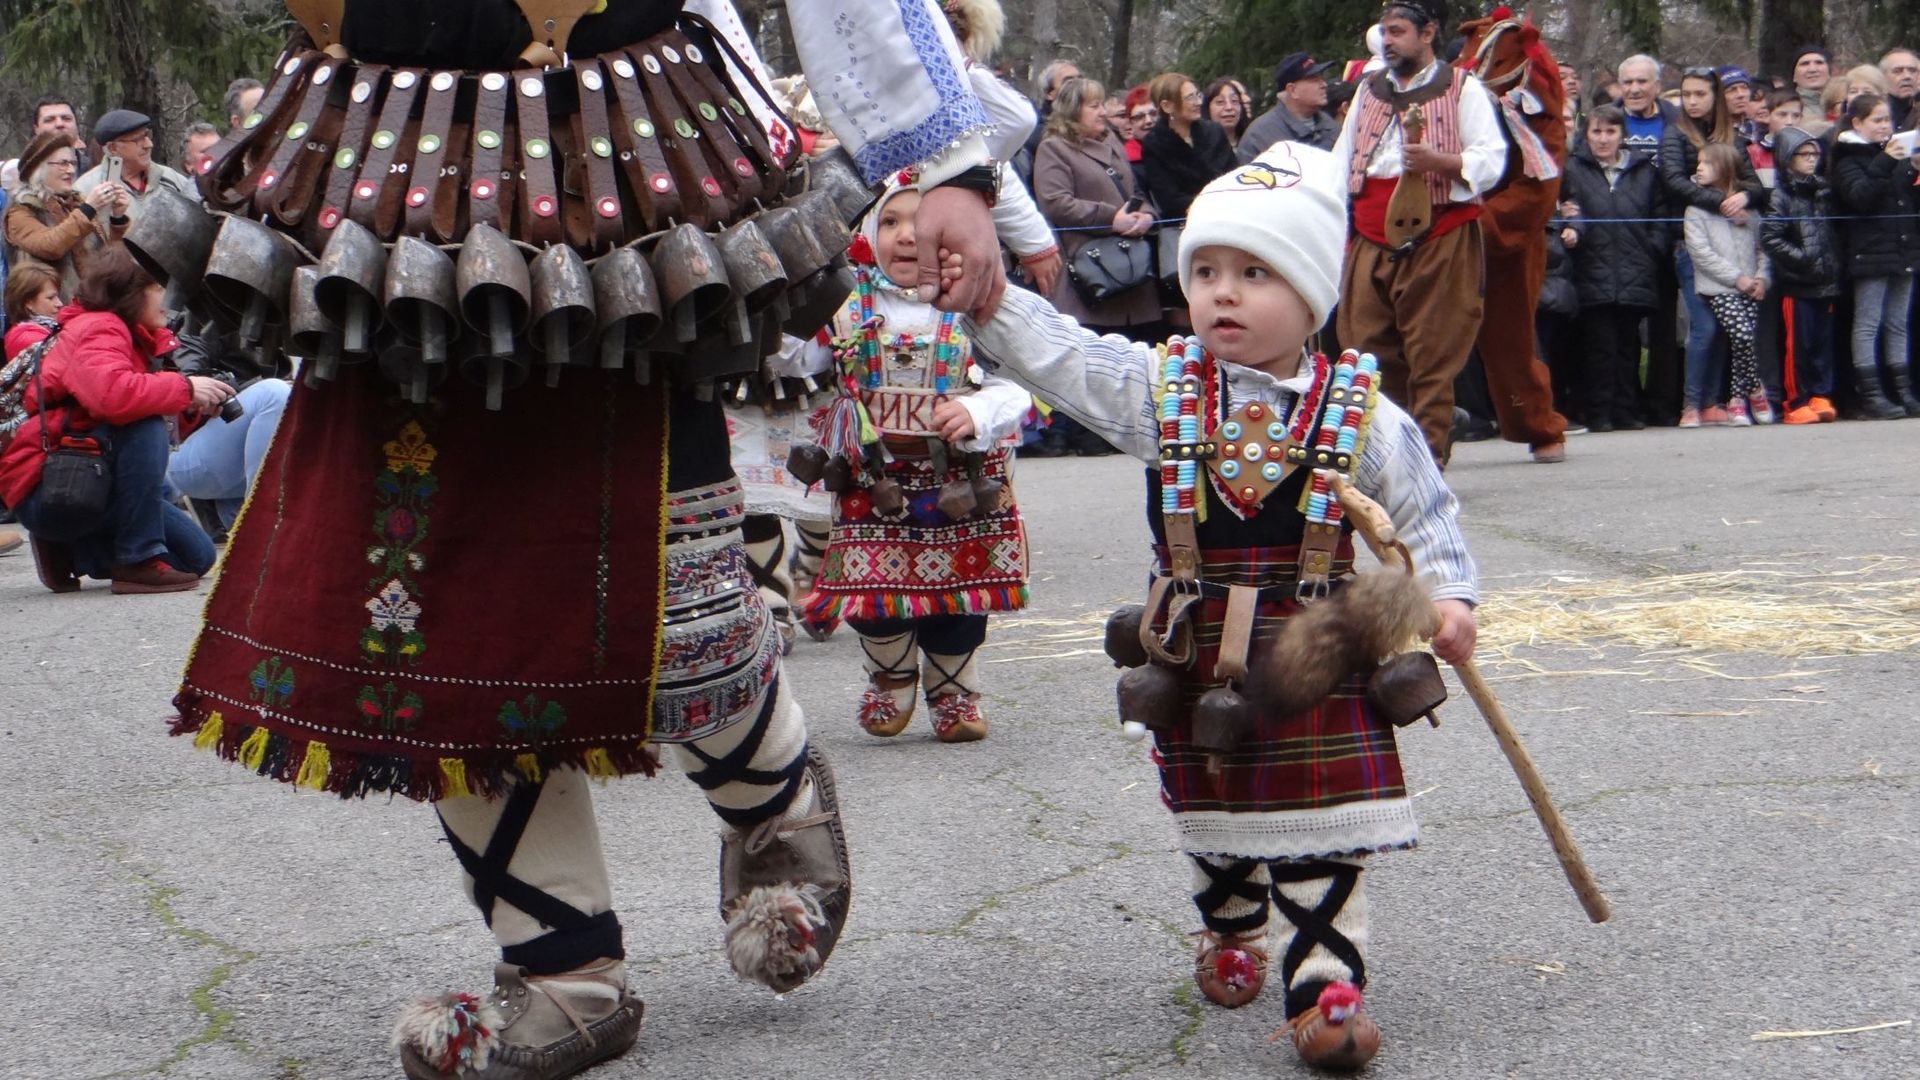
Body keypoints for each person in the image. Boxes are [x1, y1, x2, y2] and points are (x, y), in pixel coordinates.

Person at [166, 2, 1011, 1077]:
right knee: (435, 604)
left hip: (613, 151)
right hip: (379, 159)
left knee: (676, 582)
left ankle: (774, 797)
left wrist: (945, 162)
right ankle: (564, 964)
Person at [957, 140, 1477, 1071]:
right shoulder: (1163, 393)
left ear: (1313, 295)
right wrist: (994, 303)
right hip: (1200, 652)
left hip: (1321, 648)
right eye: (1205, 271)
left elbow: (1423, 511)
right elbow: (1069, 358)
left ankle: (1325, 988)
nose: (1222, 293)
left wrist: (1449, 598)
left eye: (1254, 272)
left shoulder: (1361, 411)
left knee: (1324, 825)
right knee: (1216, 807)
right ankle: (1229, 918)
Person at [799, 180, 1030, 742]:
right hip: (874, 475)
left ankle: (953, 688)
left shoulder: (979, 303)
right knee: (873, 593)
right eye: (891, 222)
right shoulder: (846, 306)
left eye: (923, 221)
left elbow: (1019, 383)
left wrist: (979, 412)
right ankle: (891, 678)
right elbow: (788, 357)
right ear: (866, 236)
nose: (908, 236)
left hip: (961, 476)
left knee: (959, 593)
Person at [1332, 0, 1508, 465]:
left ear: (1428, 33)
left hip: (1440, 227)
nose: (1388, 41)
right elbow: (1340, 160)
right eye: (1384, 33)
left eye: (1397, 31)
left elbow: (1492, 159)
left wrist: (1442, 162)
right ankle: (1388, 456)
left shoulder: (1462, 88)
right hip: (1371, 231)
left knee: (1433, 353)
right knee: (1366, 348)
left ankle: (1428, 460)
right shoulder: (1368, 91)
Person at [0, 249, 232, 593]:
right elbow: (113, 398)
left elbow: (128, 414)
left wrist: (191, 405)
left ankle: (71, 550)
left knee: (195, 557)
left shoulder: (130, 334)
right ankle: (137, 559)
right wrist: (183, 388)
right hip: (52, 484)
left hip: (86, 480)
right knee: (146, 422)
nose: (167, 300)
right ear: (132, 294)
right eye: (158, 288)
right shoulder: (98, 327)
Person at [1661, 67, 1765, 428]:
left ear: (1714, 96)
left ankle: (1713, 400)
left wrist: (1746, 196)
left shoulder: (1731, 136)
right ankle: (1691, 403)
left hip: (1733, 244)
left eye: (1699, 94)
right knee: (1702, 327)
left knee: (1727, 327)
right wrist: (1721, 201)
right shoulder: (1675, 134)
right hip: (1692, 242)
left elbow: (1754, 184)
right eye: (1686, 94)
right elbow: (1673, 180)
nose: (1691, 101)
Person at [1032, 77, 1163, 345]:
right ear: (1072, 109)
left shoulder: (1112, 142)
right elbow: (1055, 202)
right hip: (1093, 276)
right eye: (1094, 106)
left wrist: (1147, 215)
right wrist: (1111, 218)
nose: (1103, 112)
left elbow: (1134, 192)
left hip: (1135, 277)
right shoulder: (1054, 148)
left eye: (1102, 104)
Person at [1560, 105, 1665, 432]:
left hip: (1635, 269)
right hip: (1591, 270)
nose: (1603, 139)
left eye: (1610, 132)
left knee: (1628, 347)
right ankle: (1599, 412)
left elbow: (1660, 216)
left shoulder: (1644, 171)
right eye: (1596, 132)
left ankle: (1626, 410)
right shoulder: (1573, 170)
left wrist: (1652, 248)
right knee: (1599, 348)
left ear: (1622, 135)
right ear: (1585, 134)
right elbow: (1566, 210)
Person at [1829, 93, 1920, 418]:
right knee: (1868, 322)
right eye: (1878, 120)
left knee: (1898, 322)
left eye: (1888, 120)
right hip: (1869, 253)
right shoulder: (1846, 157)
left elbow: (1906, 202)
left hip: (1902, 248)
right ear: (1857, 123)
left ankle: (1903, 390)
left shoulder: (1893, 156)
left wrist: (1912, 172)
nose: (1885, 127)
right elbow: (1860, 197)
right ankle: (1870, 393)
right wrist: (1886, 161)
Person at [1682, 143, 1771, 427]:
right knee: (1742, 335)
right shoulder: (1695, 210)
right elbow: (1700, 253)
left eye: (1706, 163)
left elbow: (1763, 246)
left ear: (1725, 168)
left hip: (1751, 284)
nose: (1699, 168)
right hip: (1719, 287)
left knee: (1742, 343)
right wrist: (1737, 278)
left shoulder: (1749, 210)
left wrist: (1761, 277)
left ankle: (1736, 400)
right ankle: (1755, 389)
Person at [1761, 127, 1842, 425]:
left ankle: (1819, 393)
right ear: (1787, 158)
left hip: (1826, 281)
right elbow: (1771, 238)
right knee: (1799, 346)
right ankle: (1794, 400)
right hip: (1798, 283)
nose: (1811, 160)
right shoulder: (1781, 196)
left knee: (1822, 343)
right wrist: (1803, 259)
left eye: (1814, 154)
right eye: (1803, 154)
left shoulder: (1821, 192)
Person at [4, 131, 129, 297]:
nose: (71, 170)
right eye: (63, 163)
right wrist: (88, 209)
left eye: (72, 163)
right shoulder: (20, 210)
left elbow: (106, 260)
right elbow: (50, 246)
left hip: (87, 308)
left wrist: (117, 219)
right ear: (38, 168)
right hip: (43, 316)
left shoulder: (76, 204)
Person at [1139, 71, 1236, 221]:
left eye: (1198, 95)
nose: (1198, 102)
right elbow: (1169, 200)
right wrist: (1212, 203)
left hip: (1229, 214)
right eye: (1190, 98)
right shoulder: (1154, 144)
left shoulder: (1214, 132)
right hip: (1185, 223)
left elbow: (1234, 175)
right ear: (1167, 106)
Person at [74, 109, 195, 221]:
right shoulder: (87, 189)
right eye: (138, 140)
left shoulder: (170, 178)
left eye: (147, 136)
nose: (149, 145)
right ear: (113, 148)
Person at [1237, 51, 1339, 161]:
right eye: (1315, 80)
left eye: (1322, 79)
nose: (1324, 85)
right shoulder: (1259, 136)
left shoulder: (1331, 127)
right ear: (1292, 90)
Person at [1747, 88, 1803, 187]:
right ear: (1767, 115)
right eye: (1782, 115)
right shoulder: (1753, 152)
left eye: (1796, 116)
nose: (1790, 122)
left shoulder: (1809, 151)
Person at [1203, 77, 1249, 151]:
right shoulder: (1199, 148)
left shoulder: (1252, 142)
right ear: (1207, 108)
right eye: (1220, 102)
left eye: (1234, 101)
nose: (1229, 107)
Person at [1791, 45, 1832, 127]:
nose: (1812, 69)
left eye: (1819, 63)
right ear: (1794, 76)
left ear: (1829, 73)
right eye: (1804, 64)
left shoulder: (1845, 104)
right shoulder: (1787, 107)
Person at [1881, 48, 1918, 131]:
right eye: (1898, 71)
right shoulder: (1872, 112)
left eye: (1912, 71)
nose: (1907, 76)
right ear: (1883, 77)